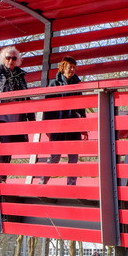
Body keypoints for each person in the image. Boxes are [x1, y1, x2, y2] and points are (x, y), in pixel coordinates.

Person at [0, 46, 30, 179]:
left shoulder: (21, 76)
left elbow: (27, 96)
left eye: (14, 58)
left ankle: (1, 177)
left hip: (17, 117)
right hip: (2, 116)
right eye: (8, 57)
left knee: (10, 147)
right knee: (4, 145)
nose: (11, 60)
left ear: (17, 60)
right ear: (3, 59)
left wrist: (31, 117)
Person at [43, 56, 85, 185]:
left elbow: (81, 107)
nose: (72, 70)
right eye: (69, 67)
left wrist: (83, 126)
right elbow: (48, 108)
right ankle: (42, 182)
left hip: (73, 126)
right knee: (55, 157)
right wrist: (47, 126)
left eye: (74, 67)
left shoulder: (77, 85)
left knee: (73, 158)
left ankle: (71, 186)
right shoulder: (54, 84)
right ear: (63, 67)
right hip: (58, 126)